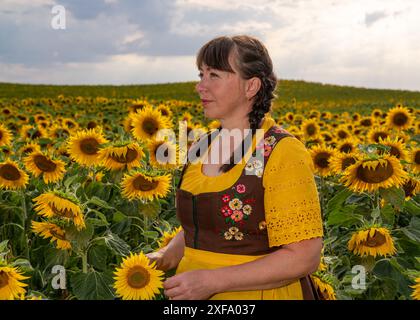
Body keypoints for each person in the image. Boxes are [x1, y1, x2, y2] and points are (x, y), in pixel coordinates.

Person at [147, 35, 324, 300]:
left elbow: (303, 257)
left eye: (214, 75)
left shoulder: (280, 151)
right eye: (201, 74)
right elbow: (208, 224)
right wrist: (166, 255)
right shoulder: (201, 146)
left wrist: (212, 281)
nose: (200, 87)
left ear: (250, 86)